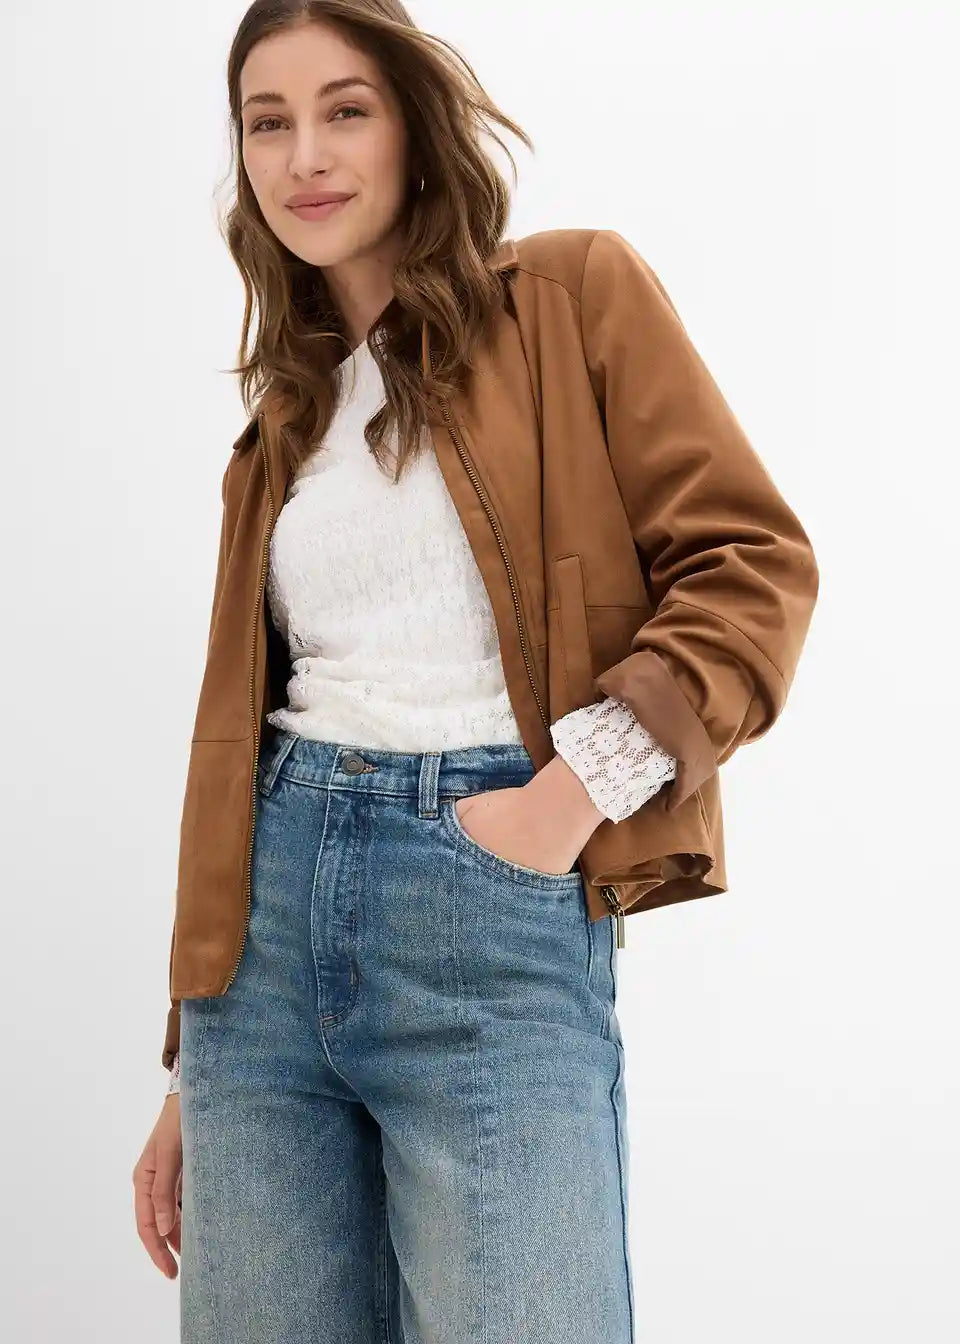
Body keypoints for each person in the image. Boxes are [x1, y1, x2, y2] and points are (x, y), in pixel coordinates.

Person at [132, 2, 819, 1340]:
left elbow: (752, 567)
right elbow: (246, 735)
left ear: (414, 126)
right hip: (259, 963)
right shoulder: (281, 423)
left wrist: (570, 798)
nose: (302, 156)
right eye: (267, 123)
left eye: (345, 109)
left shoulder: (567, 299)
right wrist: (189, 1056)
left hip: (490, 908)